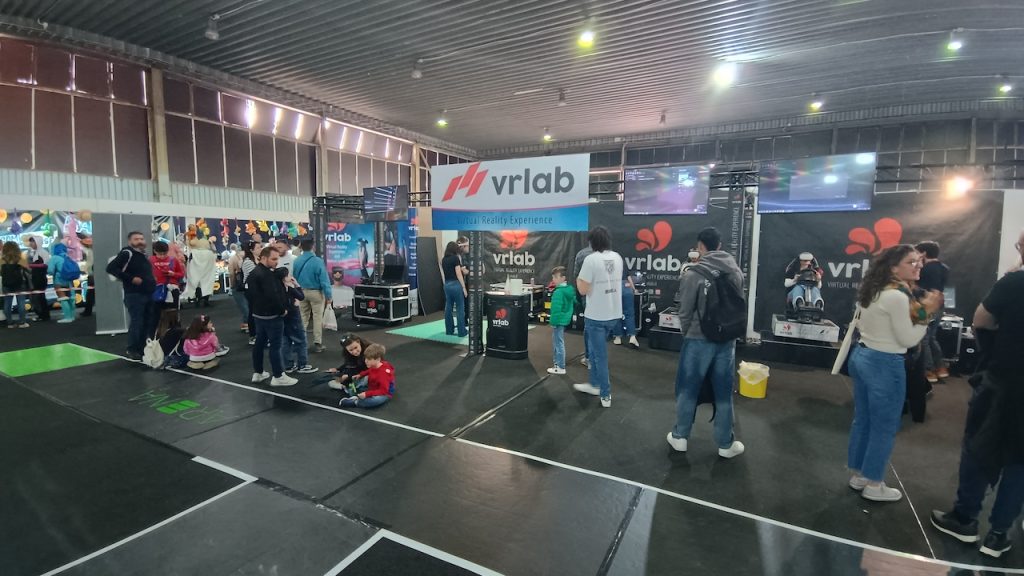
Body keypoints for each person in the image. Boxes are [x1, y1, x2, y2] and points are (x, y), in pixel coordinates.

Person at [930, 236, 1024, 558]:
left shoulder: (1014, 283)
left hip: (1003, 382)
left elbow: (981, 320)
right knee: (1020, 462)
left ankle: (964, 519)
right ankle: (999, 534)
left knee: (979, 449)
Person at [844, 244, 940, 502]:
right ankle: (874, 484)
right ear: (894, 267)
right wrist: (927, 313)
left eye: (919, 261)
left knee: (864, 419)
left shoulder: (876, 289)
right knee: (885, 426)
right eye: (911, 262)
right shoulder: (897, 296)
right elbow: (908, 339)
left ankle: (860, 475)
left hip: (863, 357)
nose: (918, 266)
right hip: (884, 363)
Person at [667, 227, 747, 458]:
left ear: (700, 246)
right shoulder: (735, 271)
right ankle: (725, 444)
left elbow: (684, 310)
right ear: (719, 245)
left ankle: (680, 437)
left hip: (697, 339)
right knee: (723, 391)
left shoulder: (693, 273)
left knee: (687, 387)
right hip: (727, 339)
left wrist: (687, 333)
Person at [572, 226, 623, 408]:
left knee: (599, 355)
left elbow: (583, 289)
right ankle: (594, 384)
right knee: (594, 352)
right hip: (614, 313)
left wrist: (579, 280)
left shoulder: (591, 260)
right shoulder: (617, 257)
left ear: (592, 242)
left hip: (597, 316)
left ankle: (605, 393)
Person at [246, 246, 296, 387]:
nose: (276, 262)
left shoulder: (254, 273)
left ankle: (258, 372)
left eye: (277, 259)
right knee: (275, 346)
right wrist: (281, 310)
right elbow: (272, 296)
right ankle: (278, 375)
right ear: (263, 258)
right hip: (271, 316)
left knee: (259, 343)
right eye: (273, 259)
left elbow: (248, 294)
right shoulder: (266, 275)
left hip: (258, 315)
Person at [107, 231, 158, 360]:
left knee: (146, 322)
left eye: (141, 238)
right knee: (137, 321)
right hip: (135, 294)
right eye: (136, 239)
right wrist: (130, 279)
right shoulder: (127, 253)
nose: (140, 241)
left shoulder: (143, 255)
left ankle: (141, 348)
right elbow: (111, 268)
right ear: (130, 241)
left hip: (147, 293)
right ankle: (132, 349)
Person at [915, 241, 950, 383]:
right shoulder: (944, 268)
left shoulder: (926, 269)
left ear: (923, 253)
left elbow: (928, 289)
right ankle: (940, 368)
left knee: (923, 338)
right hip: (939, 306)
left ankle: (928, 370)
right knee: (931, 337)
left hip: (927, 306)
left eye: (918, 253)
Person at [294, 238, 333, 353]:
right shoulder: (318, 261)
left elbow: (294, 277)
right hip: (316, 293)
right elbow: (324, 281)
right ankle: (317, 343)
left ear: (301, 247)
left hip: (301, 292)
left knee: (302, 318)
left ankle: (301, 342)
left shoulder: (297, 260)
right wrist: (329, 295)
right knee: (317, 318)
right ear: (313, 247)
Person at [280, 268, 317, 375]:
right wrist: (296, 285)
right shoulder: (289, 289)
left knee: (285, 341)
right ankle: (302, 365)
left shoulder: (276, 290)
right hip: (294, 318)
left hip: (282, 319)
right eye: (288, 275)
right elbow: (301, 296)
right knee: (301, 341)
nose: (290, 276)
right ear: (284, 278)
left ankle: (288, 365)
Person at [339, 343, 395, 409]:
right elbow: (370, 370)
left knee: (375, 400)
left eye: (369, 359)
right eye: (366, 358)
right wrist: (360, 375)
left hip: (384, 393)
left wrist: (367, 394)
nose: (366, 361)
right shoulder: (375, 365)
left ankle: (355, 402)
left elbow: (383, 391)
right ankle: (352, 390)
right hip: (373, 387)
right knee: (360, 383)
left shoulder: (383, 374)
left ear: (377, 359)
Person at [547, 266, 576, 375]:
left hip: (558, 321)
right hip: (564, 319)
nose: (553, 279)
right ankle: (558, 364)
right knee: (558, 342)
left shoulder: (558, 292)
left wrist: (553, 322)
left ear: (563, 278)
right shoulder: (569, 290)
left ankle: (560, 366)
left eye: (556, 277)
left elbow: (556, 309)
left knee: (558, 343)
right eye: (553, 277)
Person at [573, 243, 594, 367]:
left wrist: (580, 296)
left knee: (590, 326)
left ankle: (589, 358)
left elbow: (577, 276)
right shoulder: (608, 254)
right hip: (603, 295)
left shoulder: (582, 254)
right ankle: (595, 358)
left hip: (587, 294)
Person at [1, 241, 31, 328]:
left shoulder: (2, 260)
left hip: (6, 284)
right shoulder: (20, 259)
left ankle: (10, 323)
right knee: (21, 303)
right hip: (19, 284)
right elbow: (29, 270)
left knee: (7, 304)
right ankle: (22, 322)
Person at [441, 241, 468, 337]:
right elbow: (458, 274)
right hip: (456, 284)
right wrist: (464, 287)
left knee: (448, 308)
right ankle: (461, 331)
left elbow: (444, 274)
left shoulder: (443, 259)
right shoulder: (455, 258)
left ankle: (449, 330)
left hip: (447, 285)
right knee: (460, 308)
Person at [47, 242, 78, 324]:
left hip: (59, 280)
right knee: (71, 298)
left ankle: (67, 317)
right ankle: (72, 316)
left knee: (63, 298)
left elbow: (50, 271)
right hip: (70, 280)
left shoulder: (54, 258)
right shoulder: (67, 256)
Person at [150, 240, 184, 311]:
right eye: (160, 254)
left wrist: (173, 274)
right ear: (155, 251)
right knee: (156, 312)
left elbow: (181, 274)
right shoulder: (150, 260)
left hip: (171, 289)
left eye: (164, 254)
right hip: (156, 289)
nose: (162, 256)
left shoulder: (173, 260)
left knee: (173, 312)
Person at [24, 234, 50, 322]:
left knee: (40, 297)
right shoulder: (35, 252)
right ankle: (42, 315)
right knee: (37, 298)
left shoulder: (43, 252)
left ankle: (44, 315)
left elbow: (45, 265)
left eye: (33, 242)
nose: (31, 244)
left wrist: (31, 266)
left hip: (40, 278)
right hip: (35, 277)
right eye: (30, 242)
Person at [186, 237, 217, 308]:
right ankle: (206, 300)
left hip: (196, 272)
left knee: (197, 285)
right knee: (207, 284)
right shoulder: (210, 253)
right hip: (207, 272)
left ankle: (198, 300)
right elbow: (214, 260)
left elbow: (189, 262)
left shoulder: (193, 252)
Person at [613, 272, 640, 349]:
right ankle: (632, 337)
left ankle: (618, 338)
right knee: (629, 314)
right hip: (626, 286)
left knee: (616, 314)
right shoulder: (622, 264)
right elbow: (628, 277)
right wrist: (634, 289)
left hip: (614, 286)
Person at [241, 240, 259, 345]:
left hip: (257, 290)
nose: (260, 249)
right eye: (258, 248)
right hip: (251, 290)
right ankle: (253, 335)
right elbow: (255, 275)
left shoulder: (257, 259)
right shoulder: (248, 262)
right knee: (252, 313)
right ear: (252, 250)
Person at [79, 233, 95, 317]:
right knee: (90, 293)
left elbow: (90, 263)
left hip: (92, 275)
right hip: (92, 273)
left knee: (90, 294)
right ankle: (88, 310)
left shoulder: (91, 251)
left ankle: (87, 311)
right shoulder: (90, 250)